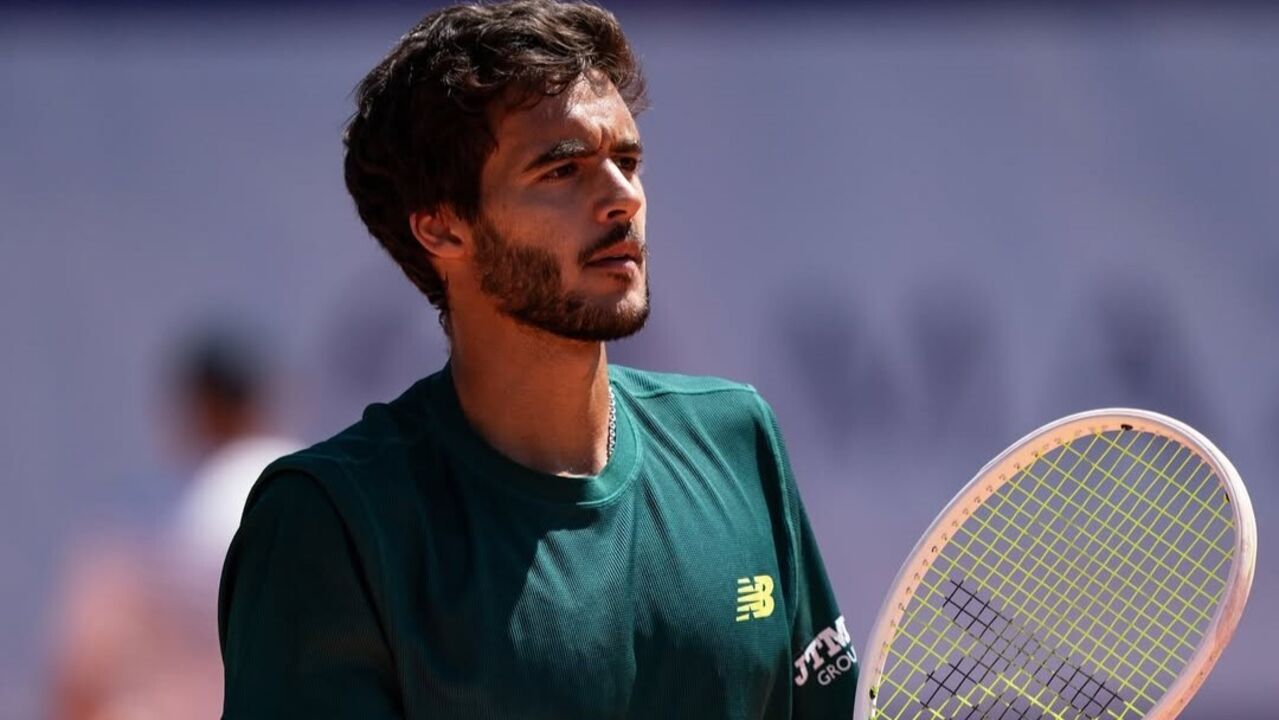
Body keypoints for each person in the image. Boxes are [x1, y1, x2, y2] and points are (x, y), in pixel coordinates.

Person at [218, 1, 857, 717]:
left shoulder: (738, 440)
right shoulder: (328, 522)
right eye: (563, 169)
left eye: (627, 161)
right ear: (441, 227)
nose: (622, 198)